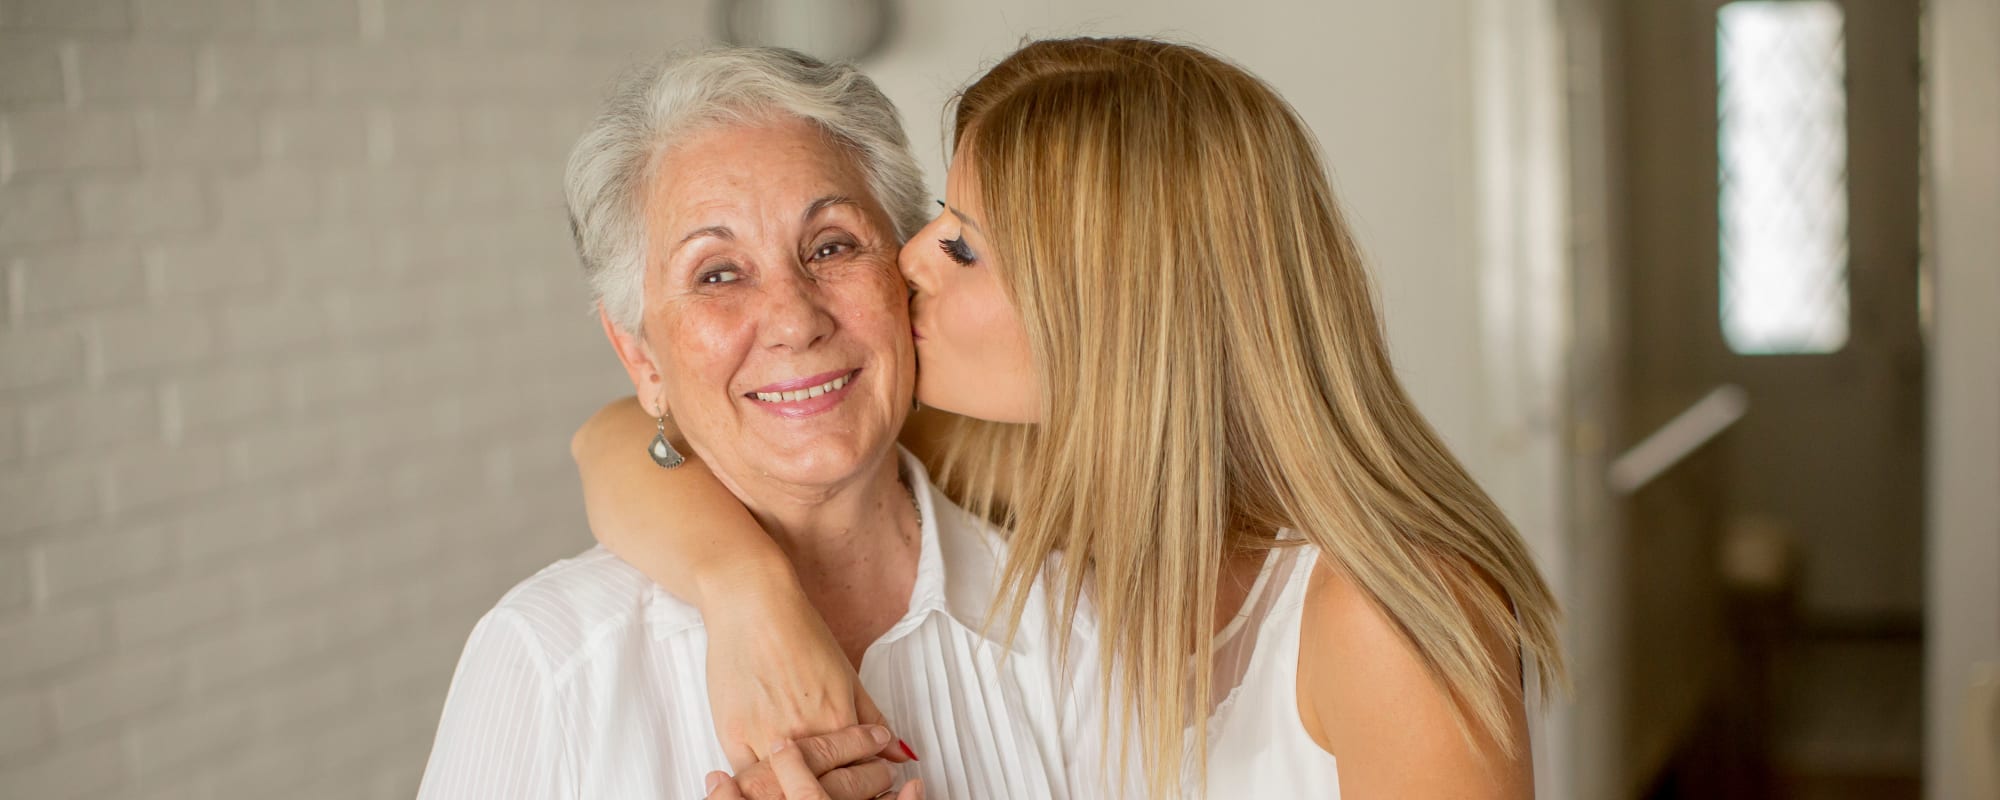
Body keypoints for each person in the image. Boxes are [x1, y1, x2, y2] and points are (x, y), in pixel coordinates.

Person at [574, 37, 1567, 798]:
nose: (904, 258)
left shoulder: (1391, 619)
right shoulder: (1018, 470)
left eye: (962, 248)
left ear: (1114, 307)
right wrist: (748, 594)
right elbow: (631, 434)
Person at [417, 47, 1097, 800]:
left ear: (903, 277)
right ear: (640, 357)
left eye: (832, 245)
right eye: (717, 274)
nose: (794, 320)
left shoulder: (1083, 624)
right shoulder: (550, 659)